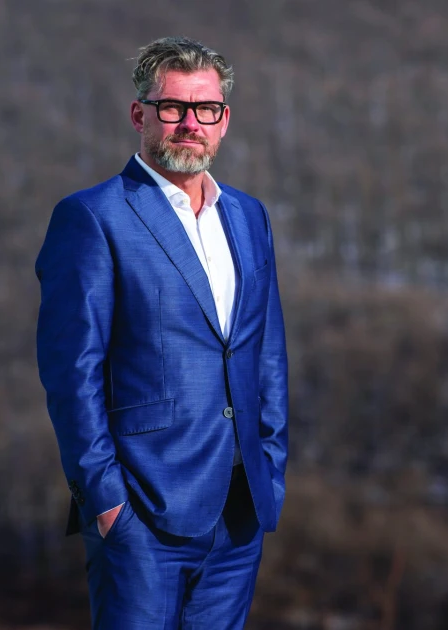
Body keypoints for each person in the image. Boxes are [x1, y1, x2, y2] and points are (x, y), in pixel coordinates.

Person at [34, 36, 288, 628]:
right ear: (139, 114)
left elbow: (266, 353)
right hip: (141, 513)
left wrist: (270, 465)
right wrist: (106, 502)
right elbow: (72, 372)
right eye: (173, 107)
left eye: (206, 109)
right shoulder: (93, 217)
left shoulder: (249, 216)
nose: (190, 123)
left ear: (224, 120)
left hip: (240, 512)